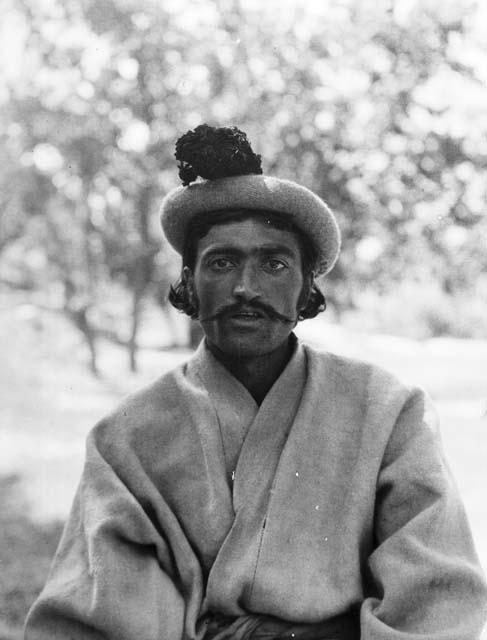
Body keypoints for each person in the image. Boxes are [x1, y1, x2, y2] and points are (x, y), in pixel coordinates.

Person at [25, 125, 487, 640]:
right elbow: (105, 616)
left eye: (275, 263)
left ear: (306, 286)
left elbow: (437, 601)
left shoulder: (387, 411)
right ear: (190, 283)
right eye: (221, 262)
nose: (246, 287)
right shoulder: (126, 438)